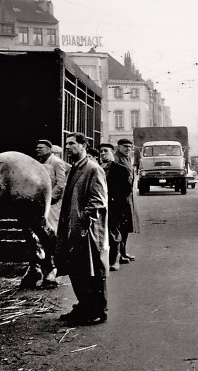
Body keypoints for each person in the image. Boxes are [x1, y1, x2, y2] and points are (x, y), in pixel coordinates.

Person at [55, 132, 109, 324]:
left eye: (72, 144)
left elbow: (98, 200)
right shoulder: (75, 168)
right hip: (74, 228)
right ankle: (83, 306)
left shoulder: (93, 169)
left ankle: (97, 312)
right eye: (66, 144)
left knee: (92, 271)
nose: (68, 147)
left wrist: (84, 221)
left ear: (83, 145)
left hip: (88, 231)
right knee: (78, 269)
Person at [99, 143, 131, 271]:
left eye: (105, 151)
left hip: (114, 206)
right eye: (101, 151)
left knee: (113, 233)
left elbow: (126, 189)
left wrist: (116, 202)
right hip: (100, 205)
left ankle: (115, 260)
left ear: (112, 152)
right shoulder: (98, 168)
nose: (102, 153)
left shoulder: (120, 169)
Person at [114, 138, 140, 263]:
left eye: (130, 147)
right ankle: (118, 255)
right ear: (118, 147)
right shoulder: (116, 159)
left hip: (128, 197)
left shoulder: (127, 158)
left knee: (126, 227)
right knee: (120, 227)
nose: (128, 149)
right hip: (120, 198)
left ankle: (123, 252)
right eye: (125, 146)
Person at [35, 140, 67, 233]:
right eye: (37, 148)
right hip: (43, 200)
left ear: (48, 149)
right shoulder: (40, 161)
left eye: (40, 148)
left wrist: (51, 197)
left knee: (53, 224)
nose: (37, 150)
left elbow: (61, 183)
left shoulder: (57, 162)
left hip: (53, 202)